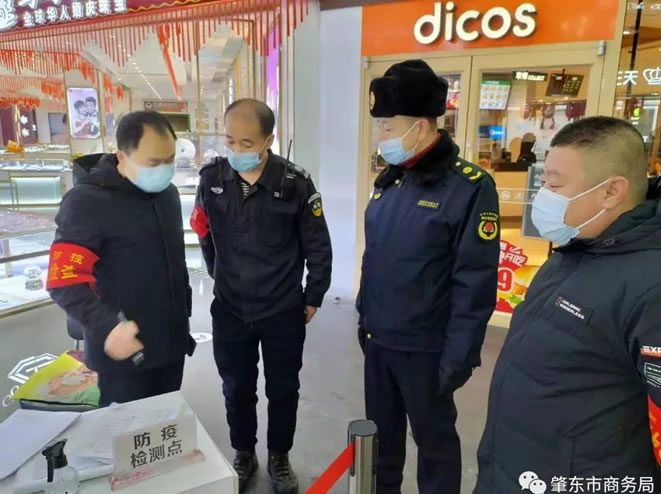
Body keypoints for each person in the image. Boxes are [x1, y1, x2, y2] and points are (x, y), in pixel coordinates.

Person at [475, 117, 661, 493]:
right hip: (515, 467)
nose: (542, 196)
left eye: (555, 185)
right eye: (543, 182)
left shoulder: (650, 287)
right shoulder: (573, 251)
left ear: (611, 192)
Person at [357, 60, 500, 494]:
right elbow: (376, 259)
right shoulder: (390, 182)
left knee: (434, 445)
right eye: (379, 125)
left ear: (420, 127)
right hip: (380, 340)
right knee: (381, 442)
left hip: (427, 349)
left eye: (387, 126)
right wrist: (364, 317)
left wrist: (459, 355)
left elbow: (474, 280)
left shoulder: (468, 187)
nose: (380, 135)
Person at [190, 99, 332, 494]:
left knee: (283, 389)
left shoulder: (295, 184)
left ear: (268, 140)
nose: (237, 150)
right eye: (230, 140)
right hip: (230, 308)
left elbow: (318, 245)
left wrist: (313, 295)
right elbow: (203, 233)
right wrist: (219, 275)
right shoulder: (212, 179)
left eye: (247, 142)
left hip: (281, 308)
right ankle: (243, 452)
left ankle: (279, 456)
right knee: (236, 388)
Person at [47, 111, 195, 407]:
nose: (164, 170)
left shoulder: (168, 194)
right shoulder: (88, 201)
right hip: (124, 354)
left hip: (169, 346)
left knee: (165, 424)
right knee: (127, 431)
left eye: (169, 160)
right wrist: (107, 326)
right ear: (121, 156)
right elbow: (64, 281)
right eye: (153, 162)